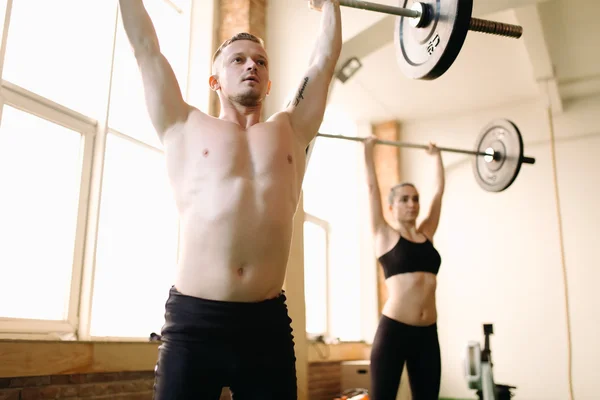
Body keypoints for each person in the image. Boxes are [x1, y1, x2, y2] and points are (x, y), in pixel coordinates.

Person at [117, 0, 342, 399]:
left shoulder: (291, 131)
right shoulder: (182, 124)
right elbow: (145, 47)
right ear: (215, 81)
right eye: (237, 60)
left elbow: (324, 61)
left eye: (260, 61)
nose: (251, 66)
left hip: (266, 326)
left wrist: (331, 6)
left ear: (270, 83)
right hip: (193, 323)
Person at [362, 136, 445, 400]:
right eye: (405, 199)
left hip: (428, 333)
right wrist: (368, 151)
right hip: (394, 331)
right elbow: (372, 188)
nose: (412, 204)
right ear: (391, 206)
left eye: (415, 199)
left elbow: (439, 192)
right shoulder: (384, 235)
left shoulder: (427, 234)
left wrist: (437, 158)